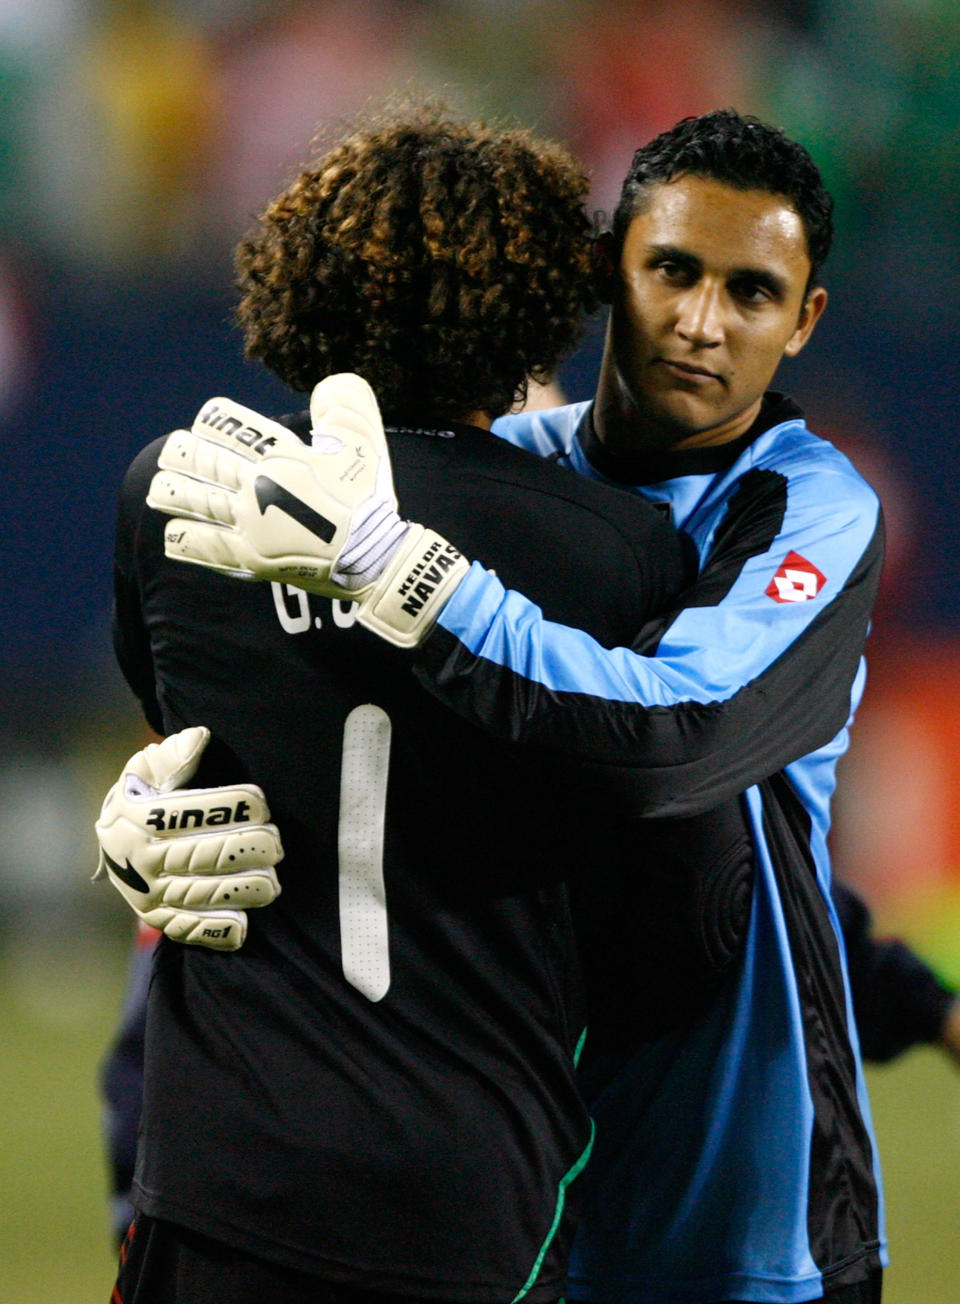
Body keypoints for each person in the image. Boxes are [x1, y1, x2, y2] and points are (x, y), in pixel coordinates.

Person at [144, 109, 887, 1303]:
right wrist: (150, 807)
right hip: (530, 1180)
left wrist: (402, 570)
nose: (702, 320)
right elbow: (347, 733)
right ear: (610, 270)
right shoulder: (513, 476)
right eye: (673, 270)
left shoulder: (812, 511)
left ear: (803, 322)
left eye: (752, 292)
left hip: (744, 1203)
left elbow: (675, 737)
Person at [93, 103, 692, 1304]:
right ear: (533, 312)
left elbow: (181, 750)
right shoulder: (623, 552)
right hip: (479, 1185)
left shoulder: (176, 503)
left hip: (225, 1177)